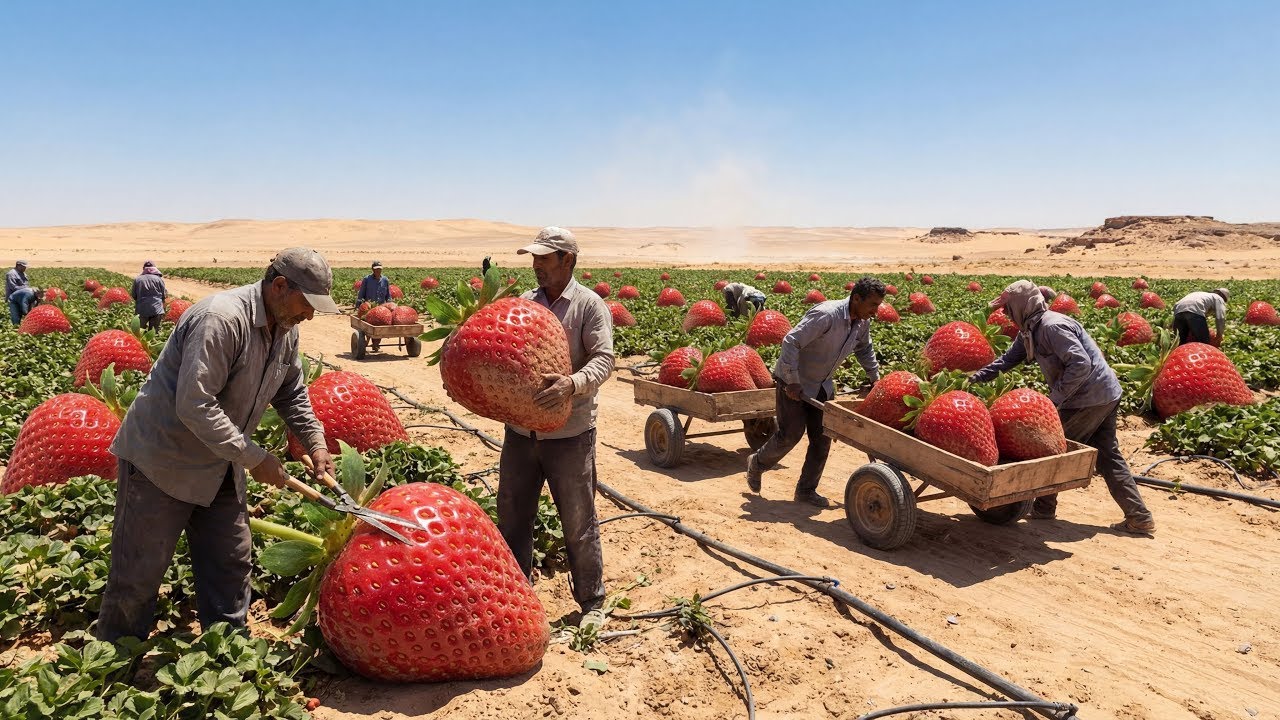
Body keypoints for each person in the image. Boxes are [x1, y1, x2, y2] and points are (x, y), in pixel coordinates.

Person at [95, 247, 341, 643]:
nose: (310, 315)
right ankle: (114, 660)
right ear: (279, 286)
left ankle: (226, 650)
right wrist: (255, 458)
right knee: (139, 573)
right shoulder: (221, 318)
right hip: (163, 461)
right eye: (307, 304)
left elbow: (292, 393)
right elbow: (195, 404)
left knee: (230, 560)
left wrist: (316, 443)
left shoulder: (286, 328)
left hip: (219, 464)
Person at [971, 280, 1156, 536]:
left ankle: (1044, 508)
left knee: (1052, 449)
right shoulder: (1031, 329)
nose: (1004, 313)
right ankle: (1139, 517)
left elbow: (1080, 364)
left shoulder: (1052, 326)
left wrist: (1054, 399)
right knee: (1107, 456)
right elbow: (1009, 359)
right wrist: (976, 377)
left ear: (1021, 305)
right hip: (1105, 394)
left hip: (1087, 398)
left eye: (1007, 308)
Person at [497, 227, 614, 630]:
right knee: (512, 515)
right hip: (520, 433)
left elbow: (604, 360)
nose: (536, 266)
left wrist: (571, 383)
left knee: (578, 520)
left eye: (544, 259)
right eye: (534, 259)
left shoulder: (589, 306)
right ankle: (517, 593)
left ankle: (592, 601)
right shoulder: (524, 305)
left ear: (568, 260)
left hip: (570, 434)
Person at [746, 277, 885, 508]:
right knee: (790, 434)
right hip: (794, 381)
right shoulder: (827, 315)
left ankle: (806, 490)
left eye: (878, 305)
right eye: (873, 305)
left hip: (822, 384)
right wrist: (791, 381)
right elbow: (791, 341)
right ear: (857, 298)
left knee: (822, 439)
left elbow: (864, 349)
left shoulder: (861, 321)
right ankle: (757, 463)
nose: (876, 311)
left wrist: (875, 379)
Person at [357, 260, 392, 350]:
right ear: (372, 269)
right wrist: (359, 303)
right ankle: (365, 343)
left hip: (382, 308)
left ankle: (376, 344)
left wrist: (390, 304)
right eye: (376, 269)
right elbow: (361, 292)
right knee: (369, 328)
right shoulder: (367, 279)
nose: (378, 271)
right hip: (369, 308)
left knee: (379, 327)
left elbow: (388, 295)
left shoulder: (385, 280)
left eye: (379, 269)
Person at [131, 260, 168, 330]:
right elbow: (164, 295)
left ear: (143, 269)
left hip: (142, 310)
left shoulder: (137, 279)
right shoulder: (158, 279)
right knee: (153, 333)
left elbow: (134, 295)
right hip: (156, 309)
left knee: (139, 332)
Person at [6, 259, 38, 326]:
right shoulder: (11, 274)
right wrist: (27, 289)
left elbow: (26, 285)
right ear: (18, 265)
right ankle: (16, 329)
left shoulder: (24, 274)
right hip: (13, 298)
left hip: (23, 296)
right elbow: (13, 287)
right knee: (16, 317)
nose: (25, 268)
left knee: (27, 315)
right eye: (24, 266)